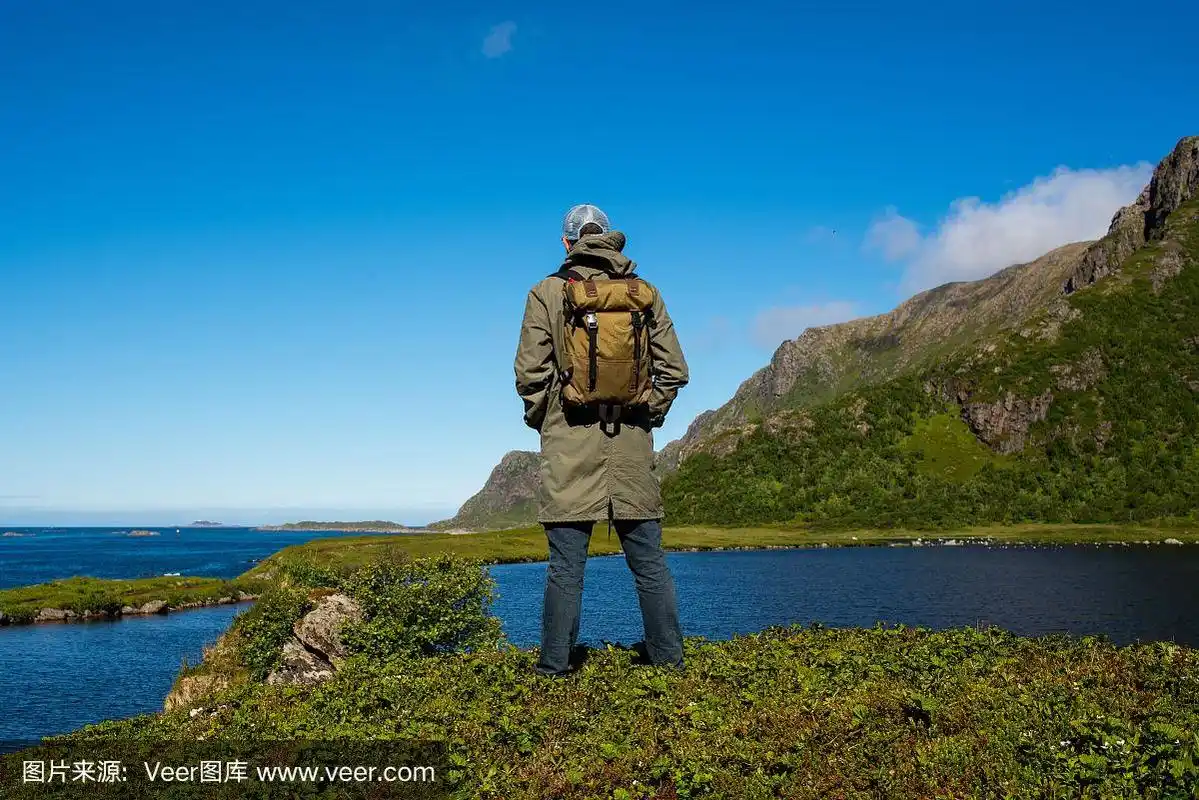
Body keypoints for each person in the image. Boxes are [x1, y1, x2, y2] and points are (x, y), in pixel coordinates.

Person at [514, 203, 690, 677]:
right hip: (631, 443)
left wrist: (550, 421)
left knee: (566, 568)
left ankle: (554, 667)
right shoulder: (644, 294)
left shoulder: (547, 292)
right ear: (610, 238)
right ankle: (669, 660)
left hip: (568, 444)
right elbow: (674, 371)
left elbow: (531, 374)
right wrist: (645, 414)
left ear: (567, 242)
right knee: (649, 562)